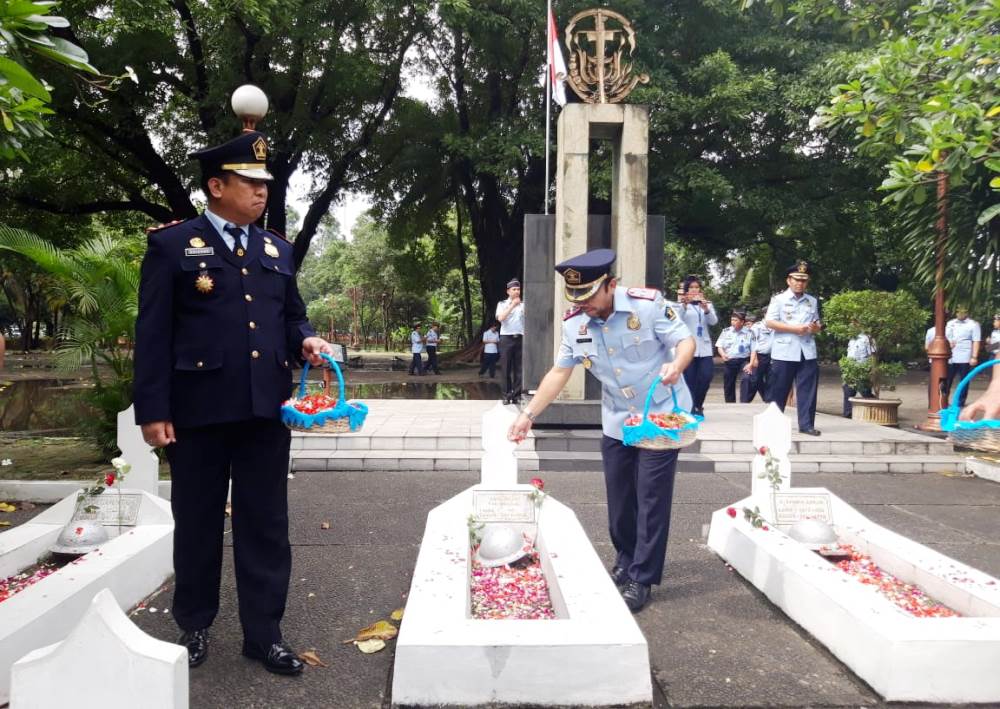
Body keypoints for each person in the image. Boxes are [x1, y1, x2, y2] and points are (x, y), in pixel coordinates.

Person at [133, 128, 334, 675]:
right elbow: (152, 333)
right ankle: (194, 625)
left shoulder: (277, 249)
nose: (261, 191)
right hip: (197, 412)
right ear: (216, 186)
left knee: (265, 524)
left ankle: (264, 634)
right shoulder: (173, 246)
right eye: (249, 182)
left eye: (264, 182)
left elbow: (292, 316)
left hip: (265, 412)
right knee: (196, 520)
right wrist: (152, 410)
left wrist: (307, 339)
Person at [507, 249, 695, 614]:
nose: (584, 305)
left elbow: (685, 340)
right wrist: (528, 414)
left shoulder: (649, 305)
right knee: (621, 499)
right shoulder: (576, 324)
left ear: (611, 284)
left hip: (661, 414)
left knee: (652, 496)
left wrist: (678, 364)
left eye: (590, 295)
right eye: (576, 297)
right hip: (617, 420)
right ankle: (626, 558)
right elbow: (559, 373)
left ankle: (642, 577)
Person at [765, 261, 822, 435]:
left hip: (807, 350)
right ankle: (774, 423)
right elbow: (769, 322)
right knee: (779, 388)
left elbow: (818, 323)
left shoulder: (812, 301)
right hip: (785, 351)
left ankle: (806, 425)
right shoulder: (779, 299)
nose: (800, 283)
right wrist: (794, 329)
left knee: (808, 390)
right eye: (796, 279)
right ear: (788, 280)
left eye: (803, 280)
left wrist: (815, 328)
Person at [676, 275, 717, 417]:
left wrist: (706, 309)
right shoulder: (681, 305)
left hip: (704, 348)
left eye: (697, 287)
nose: (694, 290)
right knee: (689, 380)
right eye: (691, 288)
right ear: (686, 291)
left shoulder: (707, 304)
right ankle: (692, 408)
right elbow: (676, 320)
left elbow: (713, 322)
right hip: (688, 349)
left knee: (706, 376)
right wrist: (684, 305)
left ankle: (699, 404)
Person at [944, 306, 981, 407]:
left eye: (962, 312)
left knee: (964, 380)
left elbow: (976, 341)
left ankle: (960, 402)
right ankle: (943, 399)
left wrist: (974, 356)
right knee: (947, 379)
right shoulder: (951, 323)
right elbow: (946, 337)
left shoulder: (973, 324)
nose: (960, 314)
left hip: (965, 356)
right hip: (951, 356)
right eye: (958, 312)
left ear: (966, 313)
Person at [496, 278, 525, 404]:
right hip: (506, 338)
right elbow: (501, 318)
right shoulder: (502, 304)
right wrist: (512, 305)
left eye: (518, 289)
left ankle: (517, 395)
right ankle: (506, 395)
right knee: (506, 367)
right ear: (508, 291)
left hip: (520, 338)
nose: (517, 291)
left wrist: (521, 306)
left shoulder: (524, 304)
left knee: (519, 368)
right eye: (514, 289)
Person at [715, 311, 752, 403]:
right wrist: (723, 354)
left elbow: (754, 349)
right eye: (732, 320)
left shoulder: (749, 332)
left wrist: (751, 362)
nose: (733, 322)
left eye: (735, 320)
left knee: (746, 379)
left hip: (744, 360)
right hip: (730, 360)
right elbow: (719, 346)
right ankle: (730, 403)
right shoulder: (726, 331)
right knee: (728, 383)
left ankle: (744, 402)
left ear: (742, 322)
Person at [842, 329, 875, 417]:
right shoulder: (852, 338)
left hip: (862, 369)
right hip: (850, 369)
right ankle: (848, 413)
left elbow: (872, 355)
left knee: (865, 392)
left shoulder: (868, 338)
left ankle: (874, 410)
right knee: (848, 390)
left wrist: (871, 370)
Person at [742, 311, 773, 403]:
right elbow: (753, 344)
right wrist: (754, 359)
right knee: (755, 379)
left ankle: (768, 400)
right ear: (765, 314)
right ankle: (745, 401)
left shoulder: (776, 325)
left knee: (771, 380)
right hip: (759, 356)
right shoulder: (757, 327)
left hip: (772, 356)